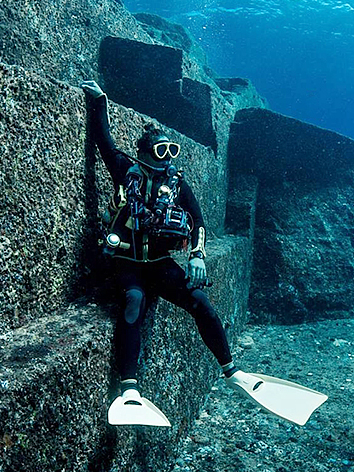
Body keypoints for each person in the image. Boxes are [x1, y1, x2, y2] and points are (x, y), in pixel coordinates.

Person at [81, 80, 327, 427]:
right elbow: (104, 141)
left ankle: (233, 371)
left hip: (160, 264)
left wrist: (197, 255)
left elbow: (198, 221)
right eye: (160, 152)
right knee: (133, 301)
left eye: (171, 151)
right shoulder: (125, 171)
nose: (167, 159)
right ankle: (130, 390)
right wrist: (101, 102)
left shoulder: (178, 185)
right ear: (145, 154)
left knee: (200, 300)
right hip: (128, 264)